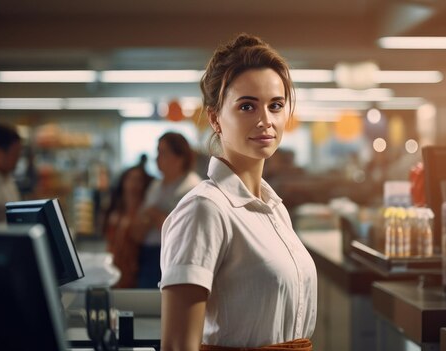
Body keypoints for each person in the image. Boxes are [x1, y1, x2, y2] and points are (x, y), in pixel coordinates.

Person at [160, 34, 317, 350]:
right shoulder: (204, 209)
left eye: (276, 106)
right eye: (247, 106)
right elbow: (178, 345)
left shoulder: (274, 210)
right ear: (216, 118)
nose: (265, 121)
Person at [137, 132, 201, 288]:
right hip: (149, 254)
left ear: (179, 157)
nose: (157, 158)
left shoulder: (192, 188)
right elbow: (139, 225)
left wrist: (154, 215)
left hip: (177, 257)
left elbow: (178, 229)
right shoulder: (156, 186)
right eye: (157, 152)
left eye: (162, 153)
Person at [102, 157, 154, 288]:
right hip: (112, 271)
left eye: (138, 180)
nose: (133, 184)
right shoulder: (115, 213)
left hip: (136, 275)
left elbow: (139, 237)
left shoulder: (145, 213)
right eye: (130, 179)